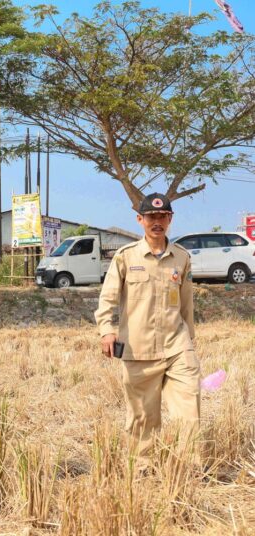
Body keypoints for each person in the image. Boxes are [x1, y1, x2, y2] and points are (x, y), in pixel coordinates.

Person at [95, 193, 200, 470]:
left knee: (189, 412)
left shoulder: (182, 257)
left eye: (163, 216)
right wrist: (107, 331)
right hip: (138, 349)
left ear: (170, 219)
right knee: (143, 418)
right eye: (151, 217)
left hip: (178, 347)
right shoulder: (126, 257)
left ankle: (188, 469)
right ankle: (142, 469)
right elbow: (107, 298)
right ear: (140, 220)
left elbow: (187, 302)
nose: (157, 222)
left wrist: (190, 340)